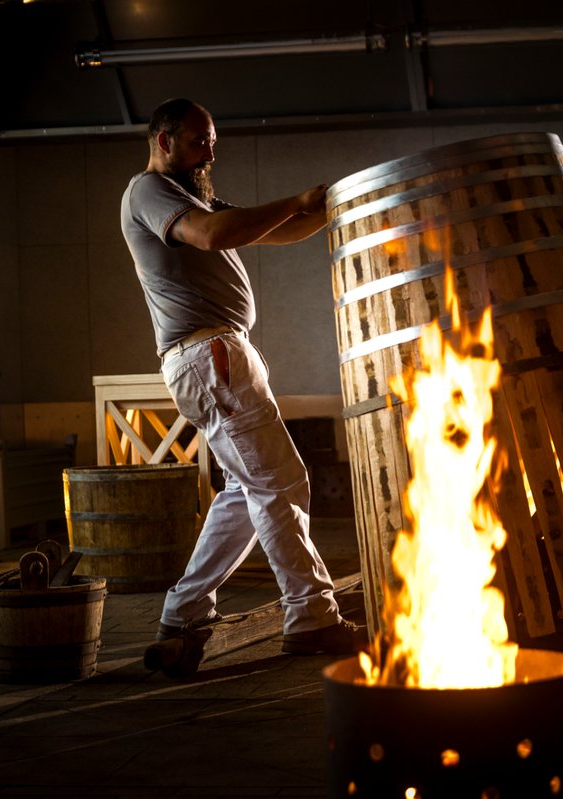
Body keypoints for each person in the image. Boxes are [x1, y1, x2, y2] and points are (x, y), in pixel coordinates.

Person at [120, 98, 365, 677]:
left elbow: (274, 230)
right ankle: (312, 618)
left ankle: (183, 613)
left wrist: (334, 208)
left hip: (222, 353)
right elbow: (211, 235)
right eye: (199, 141)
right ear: (164, 141)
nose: (209, 151)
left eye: (212, 141)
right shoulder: (150, 192)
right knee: (281, 483)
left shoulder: (191, 197)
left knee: (245, 490)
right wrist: (296, 200)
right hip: (210, 355)